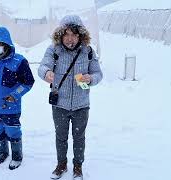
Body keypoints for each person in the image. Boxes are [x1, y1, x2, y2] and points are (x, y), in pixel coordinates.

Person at [38, 15, 103, 179]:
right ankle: (61, 164)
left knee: (79, 138)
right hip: (59, 104)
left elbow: (98, 73)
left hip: (81, 105)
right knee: (60, 137)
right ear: (61, 34)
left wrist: (91, 78)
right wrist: (47, 73)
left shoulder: (87, 51)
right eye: (66, 34)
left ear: (80, 35)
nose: (70, 39)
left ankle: (77, 166)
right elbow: (42, 67)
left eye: (74, 35)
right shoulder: (54, 50)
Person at [0, 26, 35, 170]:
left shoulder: (19, 61)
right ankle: (2, 153)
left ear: (6, 44)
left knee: (12, 131)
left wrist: (14, 95)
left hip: (10, 107)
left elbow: (28, 82)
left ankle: (17, 156)